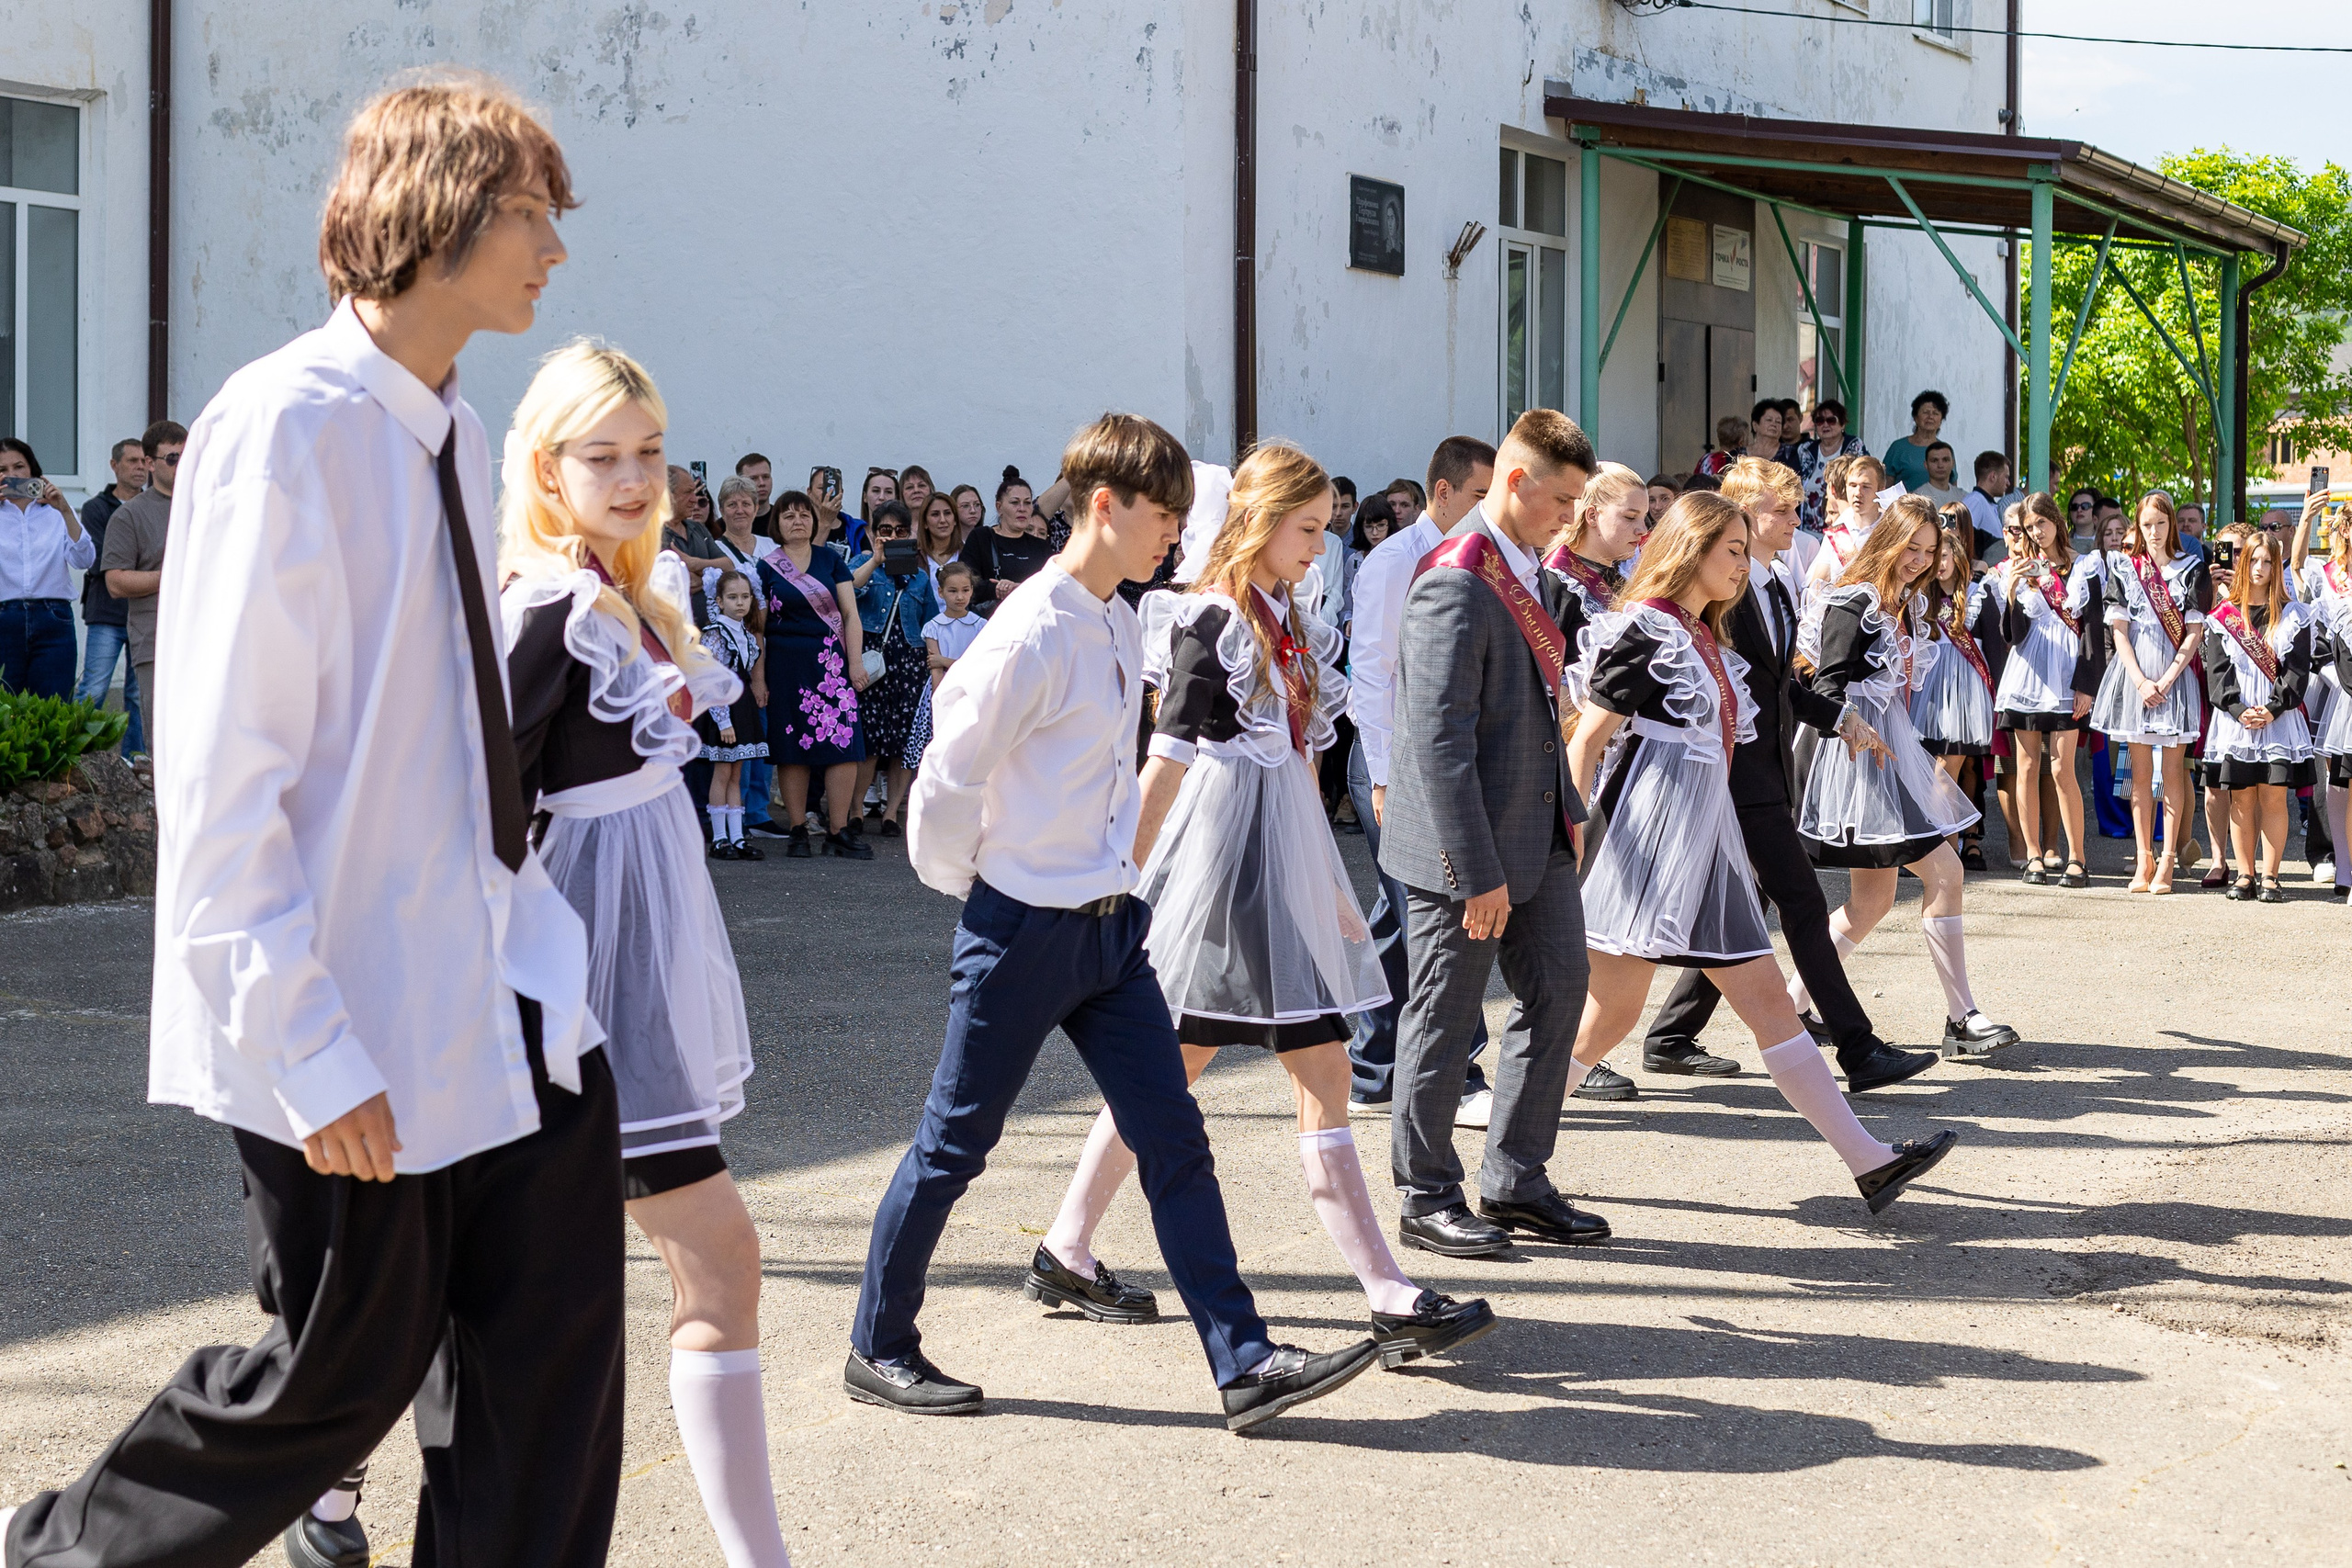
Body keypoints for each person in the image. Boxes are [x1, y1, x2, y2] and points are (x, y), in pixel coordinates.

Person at [0, 76, 623, 1568]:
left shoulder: (456, 430)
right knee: (333, 1371)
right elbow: (225, 773)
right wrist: (305, 1037)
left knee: (550, 1371)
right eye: (534, 214)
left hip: (501, 981)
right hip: (347, 1006)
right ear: (440, 215)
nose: (554, 248)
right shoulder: (287, 427)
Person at [853, 412, 1382, 1432]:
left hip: (1109, 931)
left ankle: (1246, 1361)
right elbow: (946, 782)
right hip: (1022, 928)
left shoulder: (1111, 614)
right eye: (1165, 515)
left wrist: (1101, 882)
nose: (1179, 534)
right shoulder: (1033, 628)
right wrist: (985, 890)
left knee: (1176, 1144)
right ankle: (878, 1342)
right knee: (953, 1147)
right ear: (1106, 506)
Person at [1030, 442, 1495, 1368]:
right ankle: (1072, 1248)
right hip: (1217, 870)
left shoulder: (1282, 616)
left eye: (1325, 529)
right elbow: (1168, 756)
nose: (1321, 547)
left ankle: (1383, 1290)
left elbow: (1294, 769)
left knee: (1286, 1070)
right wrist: (1120, 872)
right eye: (1309, 529)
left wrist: (1326, 888)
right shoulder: (1217, 619)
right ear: (1258, 522)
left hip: (1267, 868)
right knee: (1181, 1072)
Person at [497, 344, 786, 1567]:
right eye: (600, 455)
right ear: (547, 470)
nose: (630, 476)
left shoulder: (642, 591)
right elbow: (468, 818)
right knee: (450, 1296)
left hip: (639, 982)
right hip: (558, 996)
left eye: (648, 451)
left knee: (709, 1261)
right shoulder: (547, 611)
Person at [1566, 491, 1958, 1212]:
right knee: (1608, 1016)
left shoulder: (1703, 636)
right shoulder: (1647, 630)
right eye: (1733, 551)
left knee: (1770, 1006)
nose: (1745, 566)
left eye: (1747, 551)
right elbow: (1587, 742)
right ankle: (1508, 1155)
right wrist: (1567, 845)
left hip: (1704, 849)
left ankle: (1869, 1160)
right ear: (1691, 549)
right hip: (1644, 851)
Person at [1639, 459, 1936, 1094]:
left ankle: (1669, 1035)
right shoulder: (1732, 589)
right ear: (1742, 512)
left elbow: (1778, 688)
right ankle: (1857, 1048)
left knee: (1747, 907)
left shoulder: (1772, 582)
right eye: (1780, 508)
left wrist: (1841, 717)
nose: (1794, 517)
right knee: (1800, 903)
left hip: (1766, 776)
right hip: (1740, 779)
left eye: (1796, 506)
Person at [1381, 409, 1601, 1258]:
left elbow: (1541, 713)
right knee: (1443, 1015)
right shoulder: (1455, 577)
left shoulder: (1525, 567)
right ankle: (1426, 1190)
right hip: (1462, 850)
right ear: (1516, 481)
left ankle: (1515, 1176)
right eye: (1563, 499)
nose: (1572, 518)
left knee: (1559, 991)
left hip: (1535, 833)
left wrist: (1567, 815)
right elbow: (1436, 740)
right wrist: (1474, 869)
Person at [1794, 495, 2018, 1061]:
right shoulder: (1856, 601)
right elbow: (1826, 689)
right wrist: (1858, 730)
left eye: (1928, 550)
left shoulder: (1908, 606)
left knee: (1871, 902)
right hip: (1862, 761)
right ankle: (1962, 1016)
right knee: (1945, 871)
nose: (1918, 559)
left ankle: (1795, 1000)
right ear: (1884, 541)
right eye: (1909, 547)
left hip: (1891, 754)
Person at [1342, 435, 1498, 1117]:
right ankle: (1457, 1073)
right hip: (1389, 757)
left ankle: (1375, 1067)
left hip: (1436, 753)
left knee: (1397, 913)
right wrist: (1380, 778)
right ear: (1443, 493)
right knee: (1432, 910)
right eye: (1478, 497)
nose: (1488, 511)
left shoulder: (1477, 557)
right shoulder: (1393, 559)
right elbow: (1371, 675)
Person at [2089, 491, 2205, 894]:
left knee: (2172, 774)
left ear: (2171, 524)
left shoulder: (2191, 568)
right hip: (2135, 676)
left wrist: (2168, 679)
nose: (2153, 532)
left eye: (2160, 523)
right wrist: (2140, 681)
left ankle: (2169, 860)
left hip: (2174, 678)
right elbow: (2118, 631)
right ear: (2136, 527)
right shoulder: (2125, 568)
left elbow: (2193, 634)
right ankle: (2143, 859)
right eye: (2146, 524)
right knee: (2140, 776)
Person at [754, 488, 873, 858]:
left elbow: (850, 616)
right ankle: (798, 829)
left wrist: (855, 663)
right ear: (777, 523)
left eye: (804, 514)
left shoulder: (830, 561)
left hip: (831, 665)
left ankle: (837, 831)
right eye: (788, 515)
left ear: (814, 519)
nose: (797, 521)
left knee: (843, 745)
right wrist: (759, 677)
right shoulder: (766, 566)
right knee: (792, 748)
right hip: (785, 666)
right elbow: (757, 627)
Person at [1988, 491, 2098, 887]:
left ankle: (2077, 858)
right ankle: (2033, 854)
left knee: (2062, 768)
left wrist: (2087, 685)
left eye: (2041, 523)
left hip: (2068, 678)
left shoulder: (2086, 566)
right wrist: (2013, 594)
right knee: (2027, 766)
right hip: (2027, 674)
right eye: (2029, 526)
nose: (2036, 531)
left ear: (2056, 520)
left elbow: (2094, 631)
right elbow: (2013, 636)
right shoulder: (2020, 569)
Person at [2203, 526, 2315, 902]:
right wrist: (2239, 710)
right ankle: (2245, 874)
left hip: (2278, 721)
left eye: (2268, 561)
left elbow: (2298, 670)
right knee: (2241, 798)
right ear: (2243, 563)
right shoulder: (2222, 616)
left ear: (2276, 567)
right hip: (2237, 722)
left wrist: (2270, 709)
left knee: (2273, 797)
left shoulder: (2294, 614)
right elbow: (2217, 674)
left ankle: (2270, 876)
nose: (2260, 567)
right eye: (2253, 560)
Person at [850, 499, 943, 835]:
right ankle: (857, 808)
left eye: (899, 531)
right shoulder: (862, 563)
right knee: (870, 739)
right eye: (885, 530)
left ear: (910, 533)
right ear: (874, 532)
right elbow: (848, 592)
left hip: (909, 661)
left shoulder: (919, 576)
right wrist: (876, 560)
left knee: (903, 740)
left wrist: (934, 668)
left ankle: (891, 813)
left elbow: (932, 623)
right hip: (873, 660)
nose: (892, 536)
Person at [98, 421, 184, 759]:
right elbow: (115, 582)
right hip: (157, 640)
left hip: (211, 639)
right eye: (173, 458)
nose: (184, 464)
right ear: (150, 463)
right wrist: (174, 575)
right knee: (165, 743)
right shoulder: (130, 515)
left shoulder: (210, 507)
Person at [74, 437, 150, 757]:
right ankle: (74, 760)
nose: (141, 468)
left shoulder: (156, 507)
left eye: (145, 461)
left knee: (138, 695)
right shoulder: (95, 508)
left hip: (144, 614)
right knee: (93, 691)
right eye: (132, 461)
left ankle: (134, 764)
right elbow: (104, 559)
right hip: (107, 613)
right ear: (114, 465)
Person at [0, 437, 87, 699]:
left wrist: (65, 510)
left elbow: (84, 560)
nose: (12, 475)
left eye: (19, 467)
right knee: (5, 712)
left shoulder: (55, 512)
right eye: (2, 470)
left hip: (53, 618)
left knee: (54, 707)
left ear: (33, 470)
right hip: (5, 618)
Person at [698, 570, 770, 861]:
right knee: (722, 772)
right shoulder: (715, 634)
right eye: (732, 597)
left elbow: (747, 669)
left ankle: (737, 837)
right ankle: (719, 838)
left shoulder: (747, 636)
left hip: (742, 706)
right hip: (723, 709)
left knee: (737, 773)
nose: (740, 603)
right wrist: (723, 719)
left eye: (745, 597)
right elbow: (712, 679)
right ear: (719, 601)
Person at [961, 466, 1057, 615]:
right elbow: (964, 582)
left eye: (1027, 503)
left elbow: (1053, 586)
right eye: (1014, 503)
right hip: (992, 623)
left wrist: (1017, 588)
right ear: (999, 507)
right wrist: (998, 589)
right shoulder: (981, 538)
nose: (1022, 508)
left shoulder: (1041, 546)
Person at [1792, 398, 1867, 530]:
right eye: (1820, 421)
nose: (1825, 425)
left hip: (1843, 526)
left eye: (1831, 420)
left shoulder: (1854, 446)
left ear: (1842, 424)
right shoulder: (1805, 450)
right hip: (1808, 528)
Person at [1879, 390, 1949, 492]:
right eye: (1925, 412)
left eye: (1935, 413)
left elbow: (1952, 488)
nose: (1930, 416)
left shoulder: (1945, 451)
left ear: (1941, 421)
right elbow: (1885, 486)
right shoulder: (1898, 448)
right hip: (1906, 507)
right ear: (1915, 417)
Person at [1963, 450, 2015, 562]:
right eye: (2006, 477)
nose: (2008, 483)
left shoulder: (1985, 502)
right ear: (1993, 476)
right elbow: (1964, 538)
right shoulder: (1975, 501)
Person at [1918, 441, 1968, 510]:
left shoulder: (1963, 497)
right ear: (1926, 465)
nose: (1940, 465)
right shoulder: (1919, 498)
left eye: (1945, 460)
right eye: (1934, 460)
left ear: (1953, 464)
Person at [733, 451, 775, 533]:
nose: (761, 483)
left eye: (766, 477)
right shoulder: (727, 526)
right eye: (753, 478)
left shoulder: (783, 521)